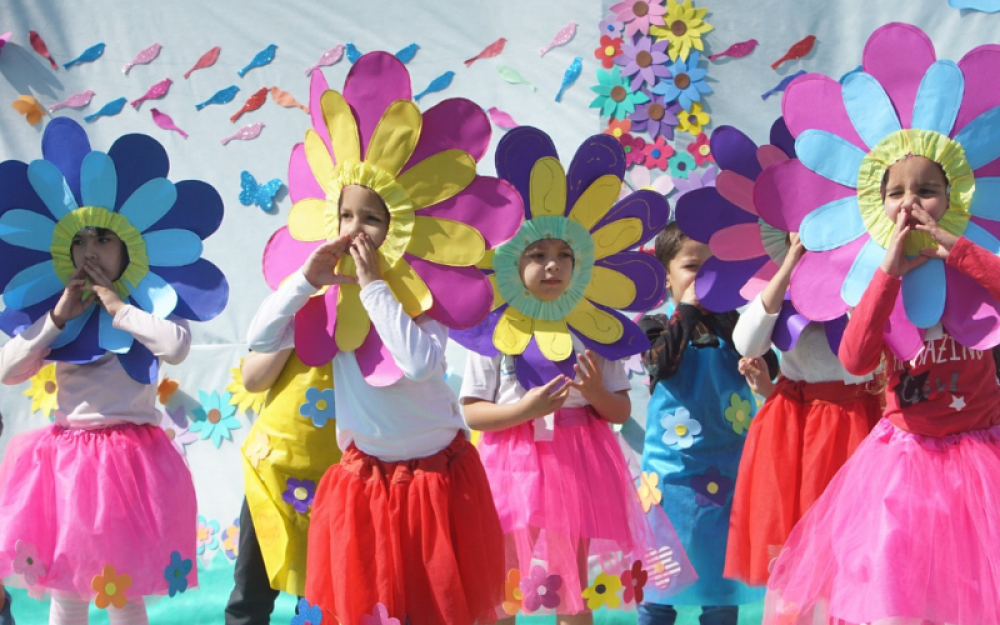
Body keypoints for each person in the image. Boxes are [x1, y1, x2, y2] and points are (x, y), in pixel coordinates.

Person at [248, 184, 504, 625]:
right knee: (372, 609)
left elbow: (419, 364)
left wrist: (375, 288)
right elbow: (260, 339)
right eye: (346, 216)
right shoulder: (327, 303)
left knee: (438, 608)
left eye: (371, 219)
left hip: (436, 481)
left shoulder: (421, 298)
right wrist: (306, 281)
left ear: (400, 229)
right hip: (367, 484)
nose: (355, 231)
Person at [763, 154, 1000, 624]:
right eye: (897, 193)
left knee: (971, 597)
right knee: (899, 596)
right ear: (879, 204)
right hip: (906, 465)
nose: (911, 203)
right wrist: (890, 268)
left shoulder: (971, 269)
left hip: (978, 459)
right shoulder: (876, 283)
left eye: (927, 190)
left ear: (952, 198)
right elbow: (855, 357)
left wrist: (954, 249)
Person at [460, 237, 689, 624]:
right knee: (506, 575)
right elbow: (473, 412)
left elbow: (619, 409)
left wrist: (596, 392)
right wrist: (524, 410)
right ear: (513, 265)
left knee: (572, 580)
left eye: (564, 255)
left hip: (577, 460)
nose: (553, 265)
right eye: (538, 255)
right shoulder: (498, 327)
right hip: (513, 461)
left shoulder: (595, 324)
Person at [0, 227, 197, 625]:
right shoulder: (63, 307)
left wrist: (118, 307)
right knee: (67, 589)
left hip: (126, 463)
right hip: (69, 463)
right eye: (80, 241)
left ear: (130, 247)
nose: (89, 252)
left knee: (120, 588)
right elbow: (8, 369)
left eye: (103, 240)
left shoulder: (148, 303)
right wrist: (57, 317)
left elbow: (176, 346)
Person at [723, 232, 881, 585]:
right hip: (801, 428)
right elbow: (747, 341)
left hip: (865, 422)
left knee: (861, 553)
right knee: (805, 558)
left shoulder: (875, 275)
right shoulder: (791, 284)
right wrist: (791, 262)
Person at [638, 223, 776, 625]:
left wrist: (761, 372)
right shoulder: (655, 325)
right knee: (657, 585)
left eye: (716, 267)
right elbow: (659, 363)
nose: (705, 277)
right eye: (692, 267)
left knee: (721, 590)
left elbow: (772, 372)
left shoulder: (738, 326)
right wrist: (690, 308)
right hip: (669, 479)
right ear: (667, 276)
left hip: (729, 473)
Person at [223, 343, 340, 624]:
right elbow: (253, 380)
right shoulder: (286, 309)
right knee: (251, 590)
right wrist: (294, 315)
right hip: (272, 476)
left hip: (337, 479)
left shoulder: (367, 310)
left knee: (320, 601)